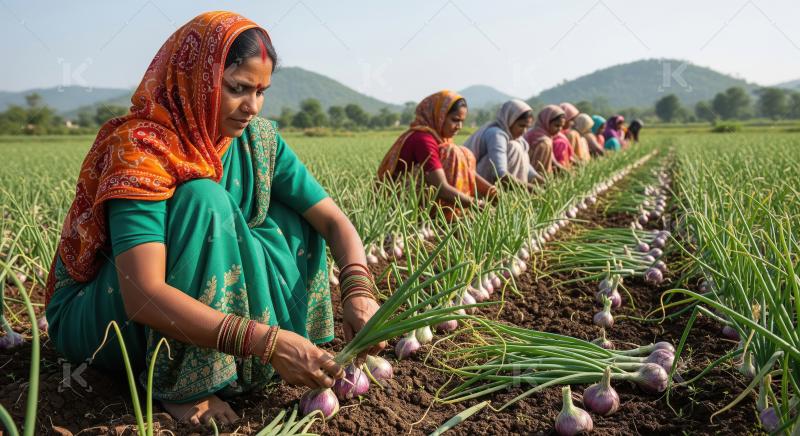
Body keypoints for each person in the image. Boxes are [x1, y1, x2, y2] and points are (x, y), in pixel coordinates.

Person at [44, 11, 384, 426]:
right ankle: (190, 387)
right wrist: (268, 342)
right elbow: (144, 295)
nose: (251, 107)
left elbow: (333, 221)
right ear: (195, 80)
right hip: (107, 312)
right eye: (238, 89)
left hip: (176, 304)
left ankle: (258, 361)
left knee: (297, 222)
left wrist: (358, 290)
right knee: (203, 200)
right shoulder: (140, 149)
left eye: (261, 92)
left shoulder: (257, 140)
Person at [377, 90, 494, 220]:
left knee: (464, 153)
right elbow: (440, 187)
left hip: (422, 198)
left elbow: (469, 174)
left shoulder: (440, 138)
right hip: (400, 204)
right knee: (452, 152)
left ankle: (450, 215)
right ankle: (444, 219)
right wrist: (477, 204)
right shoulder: (423, 139)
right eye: (455, 120)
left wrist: (493, 193)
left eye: (462, 121)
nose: (459, 126)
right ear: (440, 116)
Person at [464, 99, 542, 190]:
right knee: (514, 147)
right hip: (478, 181)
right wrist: (533, 189)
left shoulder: (518, 139)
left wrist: (545, 184)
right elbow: (500, 174)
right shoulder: (496, 134)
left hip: (493, 178)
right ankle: (499, 195)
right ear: (509, 120)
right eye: (521, 126)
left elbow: (527, 168)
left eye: (527, 127)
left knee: (518, 147)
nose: (524, 131)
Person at [523, 105, 569, 174]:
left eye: (561, 126)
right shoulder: (544, 143)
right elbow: (540, 169)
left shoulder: (533, 133)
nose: (559, 129)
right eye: (557, 125)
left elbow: (553, 162)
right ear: (546, 122)